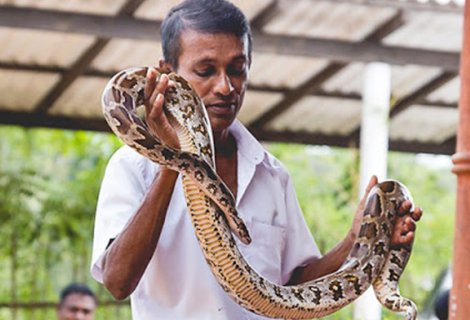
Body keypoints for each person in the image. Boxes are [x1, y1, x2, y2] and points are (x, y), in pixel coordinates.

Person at [91, 0, 423, 319]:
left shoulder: (272, 174)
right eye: (205, 70)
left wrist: (354, 239)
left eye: (237, 70)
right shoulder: (132, 166)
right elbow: (118, 281)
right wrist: (172, 162)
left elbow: (290, 293)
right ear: (167, 73)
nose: (225, 87)